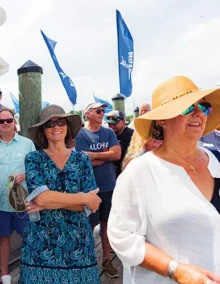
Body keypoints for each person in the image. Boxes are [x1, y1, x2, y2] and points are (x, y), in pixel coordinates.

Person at [108, 75, 220, 284]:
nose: (198, 113)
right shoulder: (140, 171)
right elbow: (121, 235)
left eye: (203, 107)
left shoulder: (215, 162)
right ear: (162, 120)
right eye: (187, 107)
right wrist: (175, 270)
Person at [18, 105, 101, 283]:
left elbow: (92, 204)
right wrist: (82, 197)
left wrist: (48, 201)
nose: (55, 127)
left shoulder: (82, 159)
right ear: (43, 131)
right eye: (49, 124)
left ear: (67, 126)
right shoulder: (33, 158)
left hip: (78, 242)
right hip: (42, 243)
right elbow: (41, 197)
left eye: (60, 122)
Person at [0, 109, 35, 283]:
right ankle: (4, 275)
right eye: (1, 121)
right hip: (0, 202)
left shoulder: (27, 143)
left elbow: (36, 168)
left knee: (29, 238)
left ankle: (30, 272)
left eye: (8, 120)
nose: (5, 124)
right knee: (3, 240)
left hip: (23, 202)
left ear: (14, 122)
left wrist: (24, 176)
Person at [75, 102, 121, 278]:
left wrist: (94, 155)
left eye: (103, 110)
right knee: (89, 226)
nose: (103, 113)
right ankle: (88, 259)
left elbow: (116, 154)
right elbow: (82, 161)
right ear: (88, 114)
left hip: (109, 187)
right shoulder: (81, 135)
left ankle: (107, 259)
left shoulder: (109, 132)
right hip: (90, 190)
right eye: (99, 111)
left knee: (107, 225)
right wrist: (105, 154)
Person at [106, 110, 134, 176]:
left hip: (128, 172)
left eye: (114, 124)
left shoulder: (132, 135)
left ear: (123, 122)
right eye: (109, 124)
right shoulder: (107, 135)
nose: (111, 127)